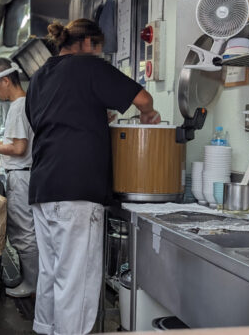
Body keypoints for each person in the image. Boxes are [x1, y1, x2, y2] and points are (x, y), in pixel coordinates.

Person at [25, 19, 160, 335]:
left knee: (51, 272)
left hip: (43, 185)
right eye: (98, 47)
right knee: (77, 280)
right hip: (76, 189)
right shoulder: (87, 66)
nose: (99, 53)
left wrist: (95, 114)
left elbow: (46, 122)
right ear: (87, 44)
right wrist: (147, 114)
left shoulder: (41, 75)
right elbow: (142, 98)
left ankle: (45, 330)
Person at [0, 57, 39, 298]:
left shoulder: (18, 106)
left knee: (24, 234)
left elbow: (19, 148)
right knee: (23, 232)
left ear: (5, 80)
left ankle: (33, 285)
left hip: (22, 177)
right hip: (22, 176)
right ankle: (32, 281)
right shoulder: (20, 105)